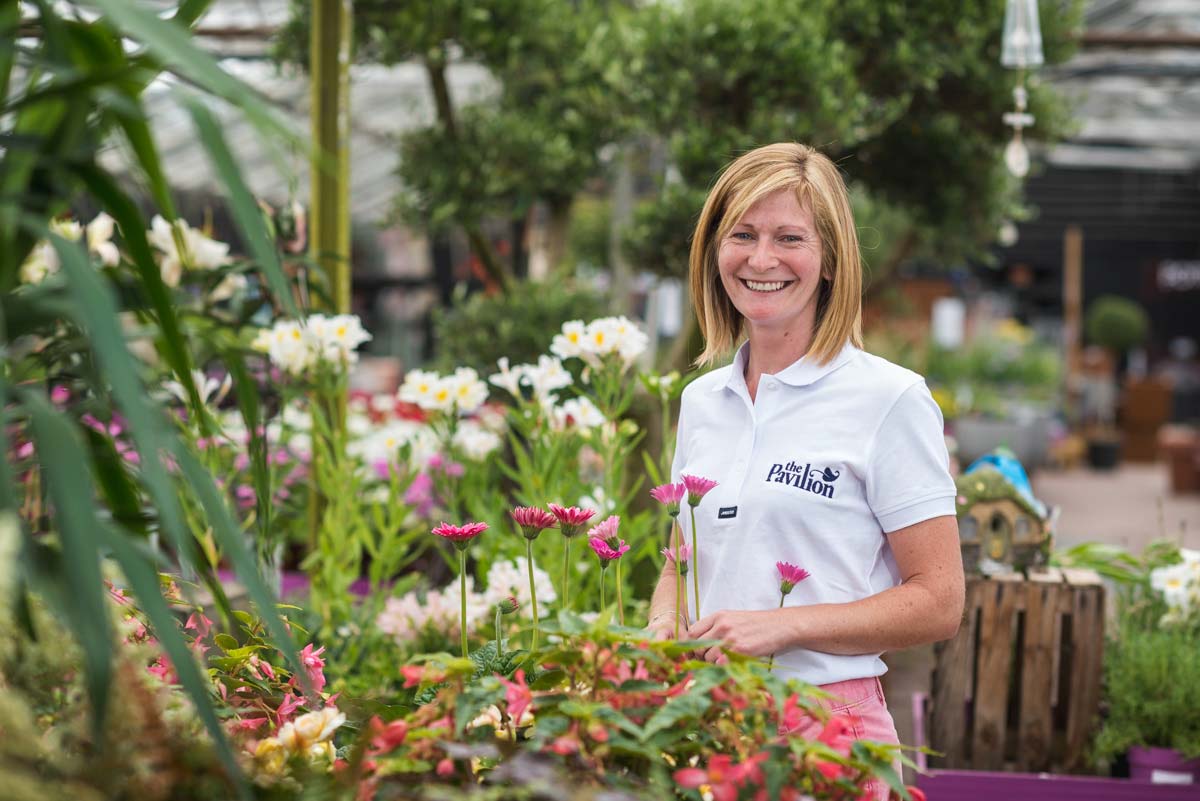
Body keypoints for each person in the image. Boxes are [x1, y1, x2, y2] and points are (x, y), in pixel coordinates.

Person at [646, 143, 965, 797]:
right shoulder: (702, 401)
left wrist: (783, 624)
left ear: (828, 261)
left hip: (827, 728)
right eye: (743, 235)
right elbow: (682, 555)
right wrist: (661, 629)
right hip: (702, 723)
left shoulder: (889, 399)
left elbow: (939, 600)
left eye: (789, 238)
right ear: (715, 250)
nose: (762, 259)